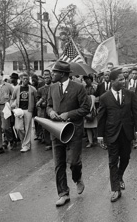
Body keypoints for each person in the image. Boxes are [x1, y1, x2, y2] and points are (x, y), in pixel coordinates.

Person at [47, 60, 91, 207]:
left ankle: (77, 178)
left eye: (54, 72)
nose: (51, 74)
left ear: (63, 74)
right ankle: (63, 194)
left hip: (73, 130)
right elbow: (48, 105)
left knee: (73, 162)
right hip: (56, 131)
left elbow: (85, 109)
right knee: (59, 164)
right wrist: (51, 111)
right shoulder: (52, 87)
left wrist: (69, 114)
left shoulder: (78, 87)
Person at [97, 70, 137, 202]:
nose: (124, 81)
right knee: (112, 161)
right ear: (112, 81)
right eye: (121, 79)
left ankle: (120, 174)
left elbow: (136, 112)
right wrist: (100, 136)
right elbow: (101, 118)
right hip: (111, 133)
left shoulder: (130, 94)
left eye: (124, 79)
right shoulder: (104, 97)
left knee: (126, 157)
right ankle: (115, 189)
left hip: (126, 133)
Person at [10, 73, 37, 153]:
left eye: (27, 78)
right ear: (21, 79)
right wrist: (13, 107)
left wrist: (34, 108)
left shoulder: (32, 88)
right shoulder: (17, 88)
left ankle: (26, 145)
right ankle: (24, 141)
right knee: (18, 128)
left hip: (28, 110)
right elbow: (12, 98)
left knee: (28, 128)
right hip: (19, 110)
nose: (26, 80)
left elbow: (36, 98)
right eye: (24, 78)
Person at [36, 71, 52, 151]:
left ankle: (55, 142)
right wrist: (41, 104)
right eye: (45, 76)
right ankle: (48, 143)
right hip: (44, 110)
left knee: (54, 125)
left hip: (53, 109)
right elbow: (38, 99)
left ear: (50, 76)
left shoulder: (54, 87)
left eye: (47, 76)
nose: (46, 78)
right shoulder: (40, 89)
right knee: (46, 127)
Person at [83, 74, 97, 148]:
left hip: (94, 108)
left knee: (95, 125)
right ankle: (90, 141)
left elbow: (98, 96)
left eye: (88, 79)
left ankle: (96, 138)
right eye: (85, 79)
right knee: (87, 126)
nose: (86, 81)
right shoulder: (83, 88)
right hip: (86, 108)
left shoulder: (95, 87)